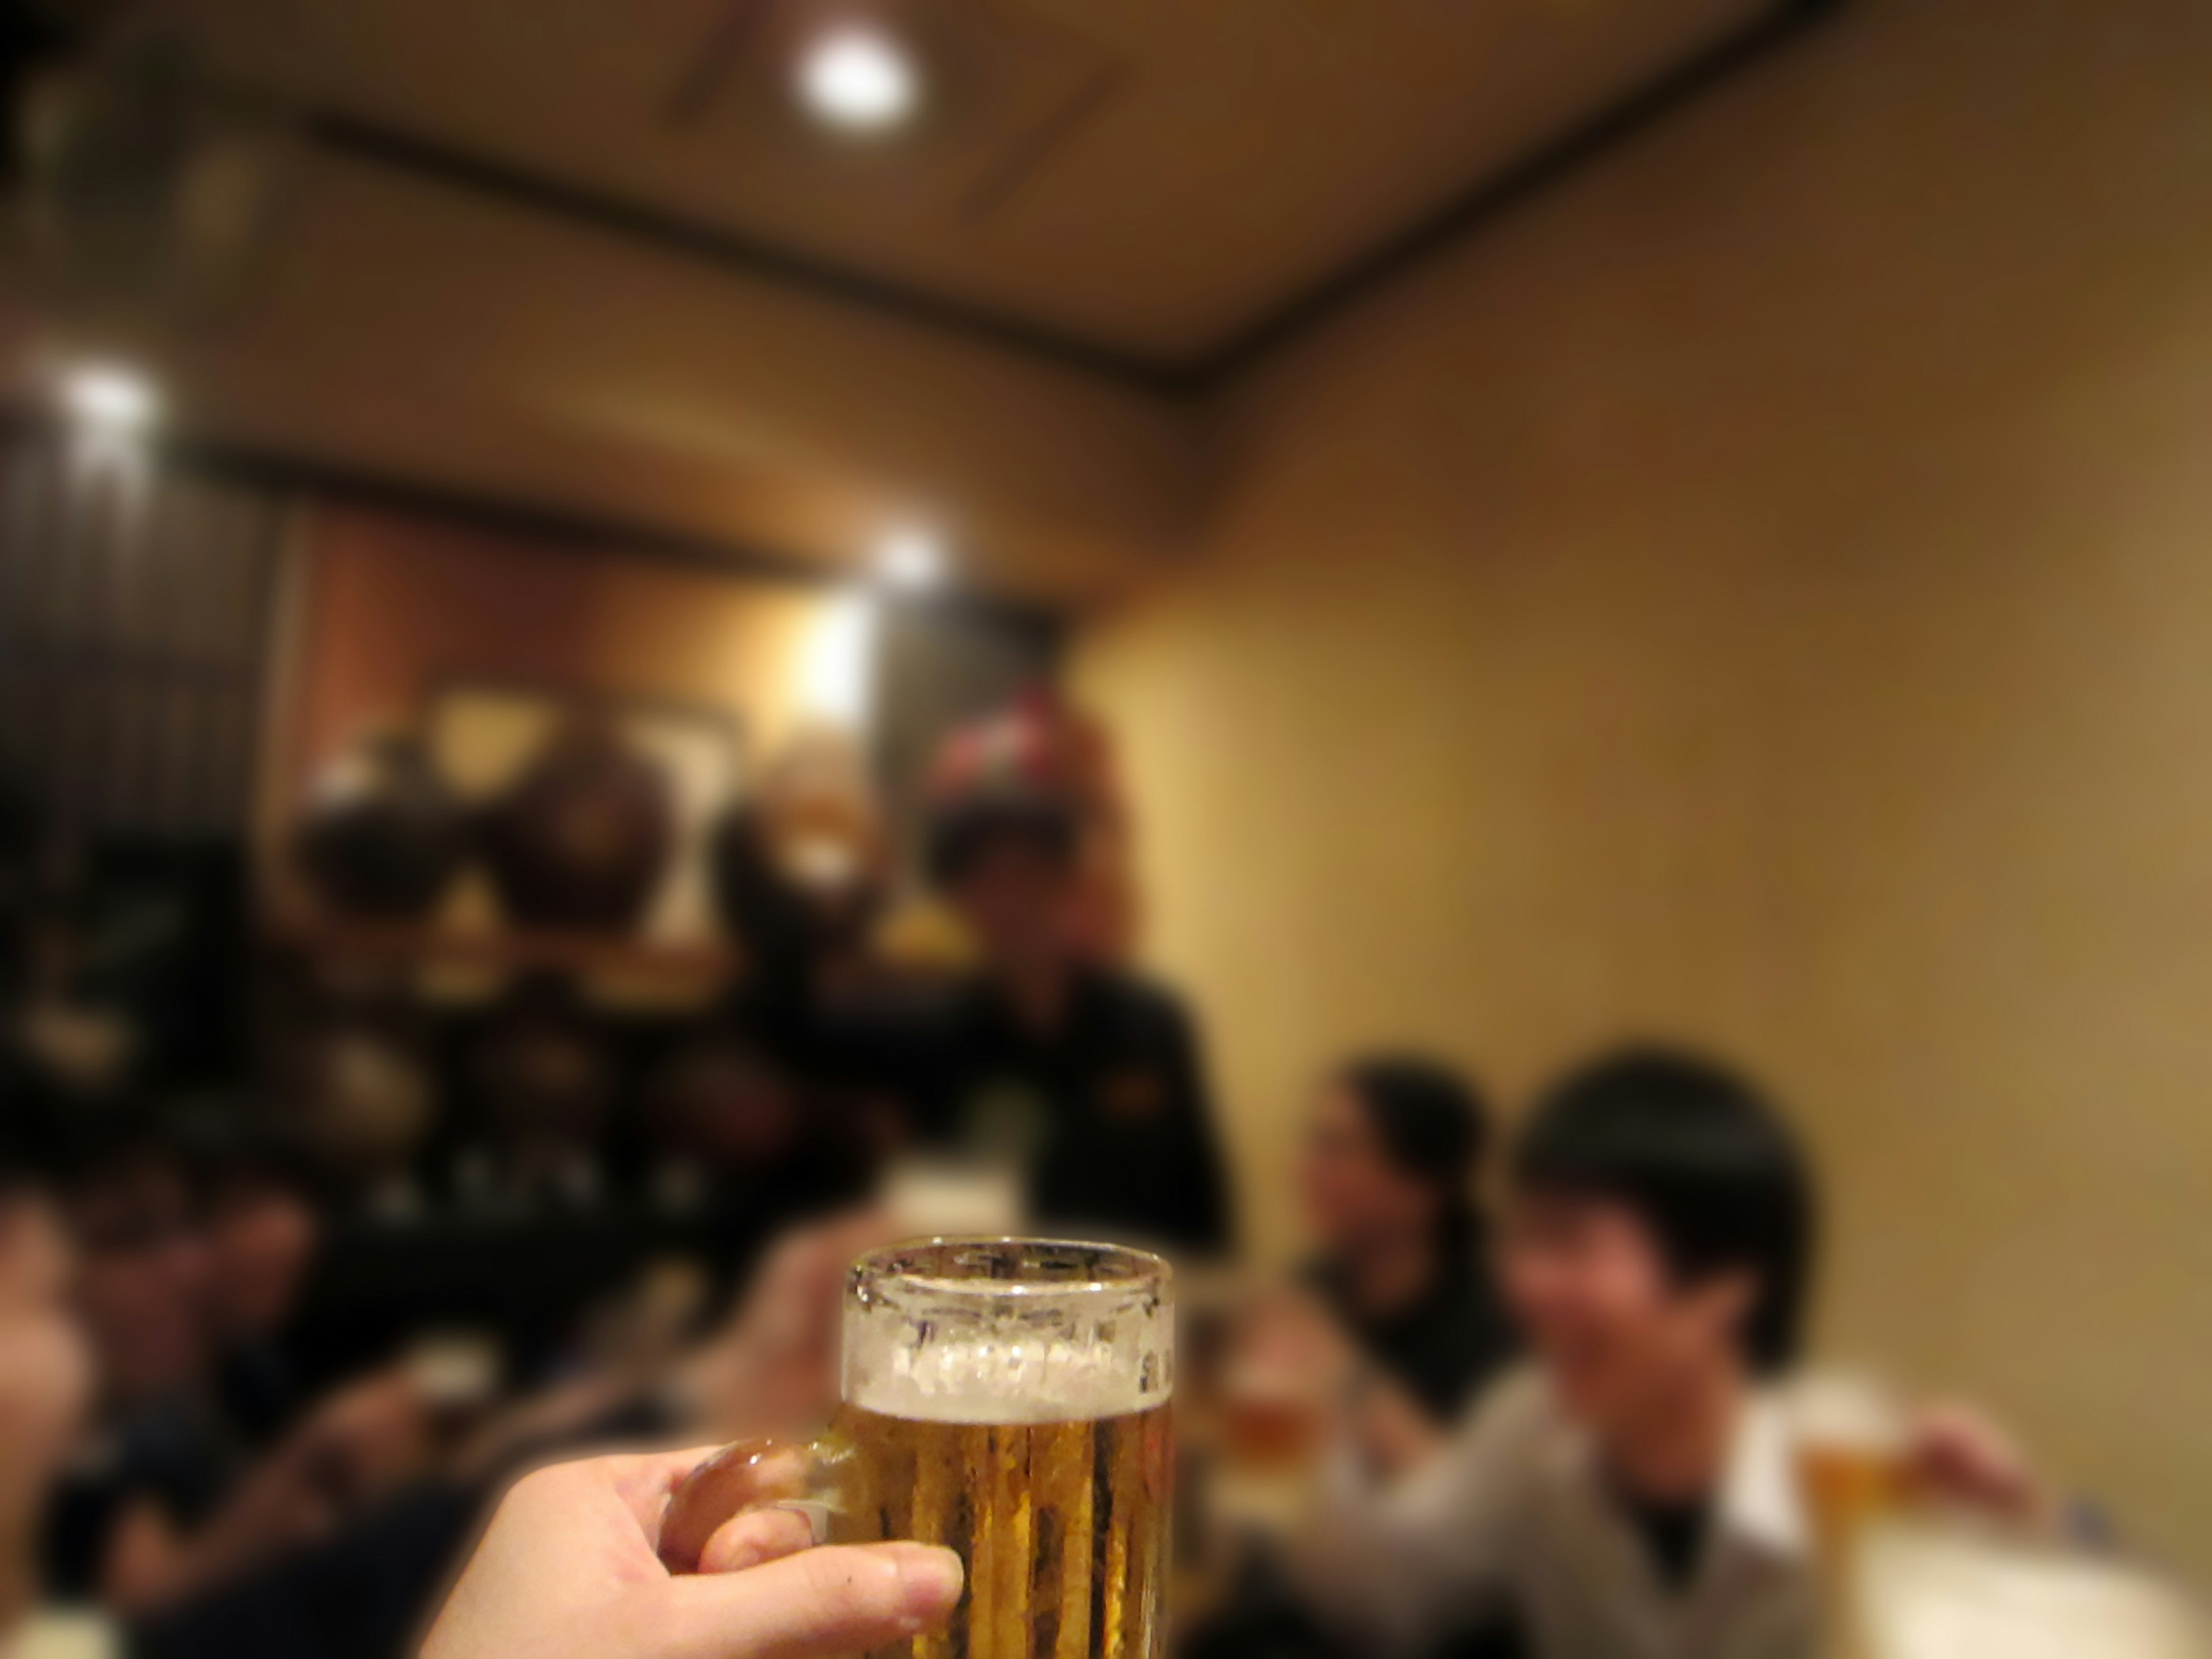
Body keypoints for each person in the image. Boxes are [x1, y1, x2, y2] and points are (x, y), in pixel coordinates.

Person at [1285, 1046, 2043, 1659]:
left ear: (1724, 1285)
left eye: (1570, 1243)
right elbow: (1391, 1596)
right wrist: (1310, 1421)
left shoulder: (1850, 1459)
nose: (1522, 1282)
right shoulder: (1530, 1426)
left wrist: (2026, 1545)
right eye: (1525, 1238)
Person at [908, 790, 1233, 1256]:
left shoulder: (1151, 1024)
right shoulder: (937, 1040)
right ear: (959, 898)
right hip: (999, 1312)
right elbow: (931, 1218)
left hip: (1148, 1309)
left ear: (1068, 883)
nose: (1013, 898)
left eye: (1032, 873)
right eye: (989, 878)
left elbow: (1203, 1200)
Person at [1300, 1056, 1517, 1425]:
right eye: (1316, 1142)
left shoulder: (1501, 1318)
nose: (1309, 1167)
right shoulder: (1312, 1286)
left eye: (1338, 1149)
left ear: (1421, 1187)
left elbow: (1474, 1479)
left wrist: (1342, 1370)